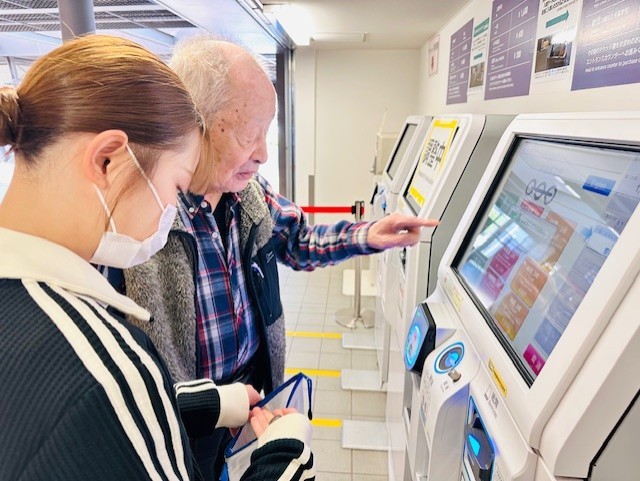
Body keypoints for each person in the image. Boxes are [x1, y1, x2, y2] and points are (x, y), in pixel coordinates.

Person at [104, 34, 438, 481]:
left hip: (251, 398)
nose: (263, 154)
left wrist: (369, 235)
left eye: (268, 133)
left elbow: (299, 241)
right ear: (195, 125)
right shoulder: (143, 217)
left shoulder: (249, 195)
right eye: (251, 134)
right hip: (187, 419)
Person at [0, 35, 314, 481]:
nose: (172, 211)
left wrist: (210, 402)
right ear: (107, 161)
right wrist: (286, 457)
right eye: (175, 185)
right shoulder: (109, 363)